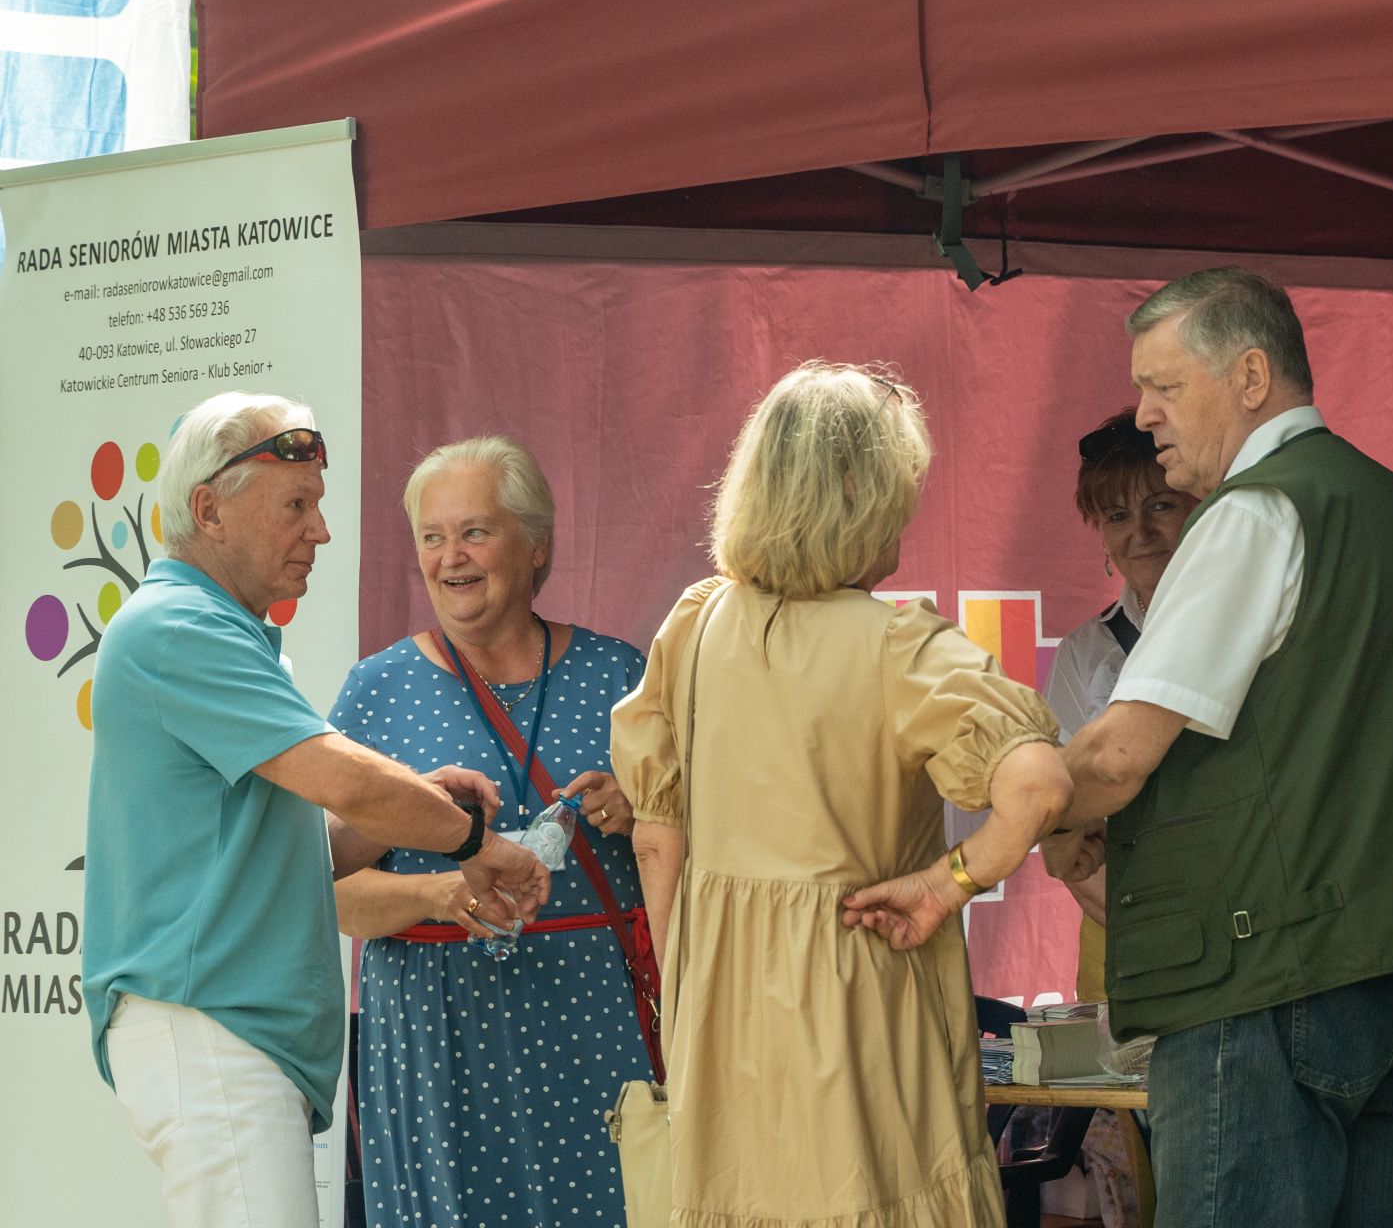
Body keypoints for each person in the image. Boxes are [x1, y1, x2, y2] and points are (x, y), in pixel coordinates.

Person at [1042, 267, 1393, 1227]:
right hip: (1388, 974)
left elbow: (1116, 757)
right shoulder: (1391, 504)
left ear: (1252, 376)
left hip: (1264, 979)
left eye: (1165, 386)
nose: (1143, 414)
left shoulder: (1251, 513)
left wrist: (993, 831)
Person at [611, 361, 1073, 1228]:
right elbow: (1040, 787)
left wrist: (688, 998)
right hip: (863, 990)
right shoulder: (901, 646)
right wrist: (950, 882)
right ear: (861, 490)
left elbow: (655, 839)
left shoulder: (697, 625)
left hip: (721, 1007)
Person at [82, 392, 550, 1228]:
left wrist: (418, 805)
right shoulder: (181, 627)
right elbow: (345, 777)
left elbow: (298, 850)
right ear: (208, 510)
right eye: (296, 505)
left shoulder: (207, 629)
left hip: (228, 1033)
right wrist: (473, 841)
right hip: (215, 1029)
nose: (321, 531)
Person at [329, 435, 656, 1226]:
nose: (451, 558)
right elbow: (327, 893)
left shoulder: (620, 677)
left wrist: (642, 813)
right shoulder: (378, 690)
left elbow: (699, 854)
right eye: (432, 538)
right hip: (435, 1037)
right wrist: (439, 892)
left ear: (537, 544)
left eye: (475, 531)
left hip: (595, 1027)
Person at [1040, 409, 1198, 1226]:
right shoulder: (1084, 654)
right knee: (1130, 1177)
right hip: (1122, 953)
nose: (1141, 531)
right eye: (1115, 514)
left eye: (1160, 504)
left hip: (1237, 949)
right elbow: (1067, 833)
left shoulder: (1239, 628)